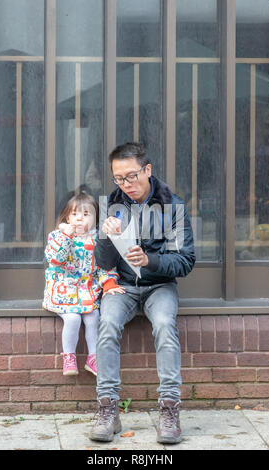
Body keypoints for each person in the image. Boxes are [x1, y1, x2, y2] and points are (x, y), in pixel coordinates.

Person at [89, 142, 195, 444]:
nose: (126, 184)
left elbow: (185, 261)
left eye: (131, 176)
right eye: (119, 178)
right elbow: (104, 262)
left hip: (159, 285)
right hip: (122, 286)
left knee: (164, 324)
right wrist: (107, 238)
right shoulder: (112, 205)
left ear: (147, 170)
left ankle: (169, 408)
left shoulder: (172, 206)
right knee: (106, 324)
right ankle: (108, 408)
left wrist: (151, 260)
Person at [42, 192, 125, 377]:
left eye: (86, 214)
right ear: (66, 218)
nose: (79, 219)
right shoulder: (57, 236)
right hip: (63, 290)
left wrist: (109, 283)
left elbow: (104, 265)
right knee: (72, 319)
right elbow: (55, 260)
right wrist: (65, 236)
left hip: (86, 292)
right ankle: (69, 357)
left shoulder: (97, 241)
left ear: (96, 220)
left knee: (93, 317)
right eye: (74, 214)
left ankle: (93, 358)